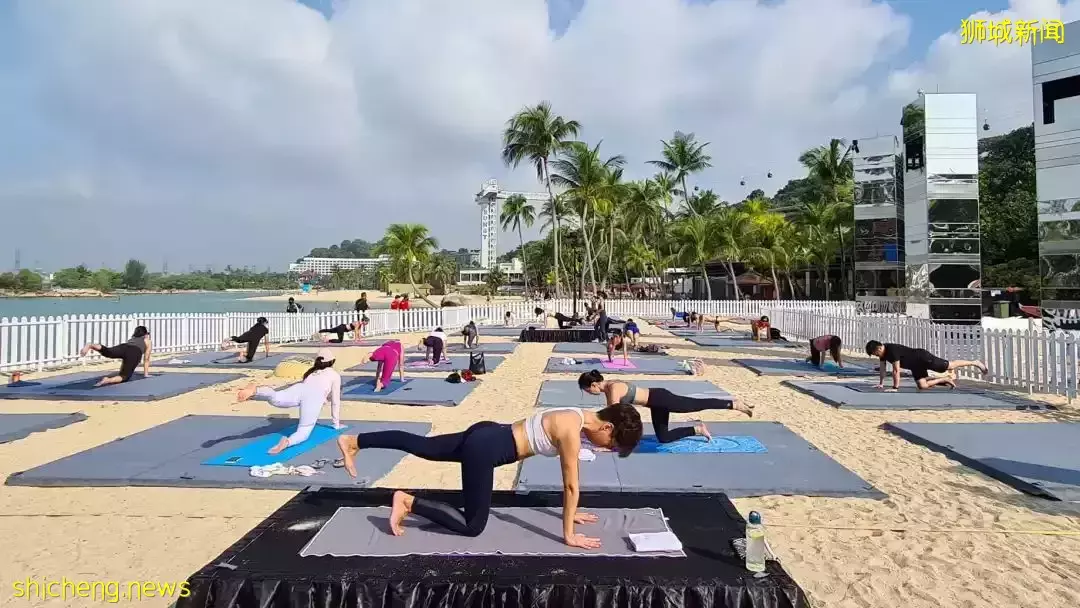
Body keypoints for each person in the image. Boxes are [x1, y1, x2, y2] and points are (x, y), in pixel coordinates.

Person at [335, 403, 644, 543]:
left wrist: (572, 513)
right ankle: (407, 502)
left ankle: (355, 441)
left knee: (423, 446)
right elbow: (571, 486)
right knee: (473, 526)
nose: (608, 449)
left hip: (489, 432)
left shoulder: (577, 413)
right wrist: (569, 534)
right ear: (607, 427)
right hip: (485, 450)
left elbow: (571, 490)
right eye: (613, 444)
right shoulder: (572, 431)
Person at [578, 370, 753, 444]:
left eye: (587, 391)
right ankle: (697, 430)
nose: (589, 394)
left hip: (661, 398)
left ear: (593, 385)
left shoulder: (613, 388)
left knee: (696, 404)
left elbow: (613, 417)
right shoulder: (609, 387)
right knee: (663, 437)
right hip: (655, 404)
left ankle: (733, 404)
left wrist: (603, 439)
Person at [236, 348, 343, 455]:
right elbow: (335, 401)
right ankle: (287, 442)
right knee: (304, 430)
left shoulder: (311, 372)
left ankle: (257, 390)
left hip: (299, 388)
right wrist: (336, 424)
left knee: (275, 398)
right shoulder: (334, 375)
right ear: (332, 361)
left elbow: (311, 387)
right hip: (314, 397)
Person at [865, 340, 988, 390]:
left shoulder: (891, 350)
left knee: (949, 365)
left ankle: (975, 362)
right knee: (922, 386)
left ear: (879, 348)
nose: (876, 356)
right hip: (915, 366)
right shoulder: (882, 355)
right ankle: (945, 379)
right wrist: (881, 383)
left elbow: (896, 371)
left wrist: (895, 388)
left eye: (875, 353)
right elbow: (882, 369)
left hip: (922, 357)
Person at [79, 326, 153, 386]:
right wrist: (146, 374)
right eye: (147, 334)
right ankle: (108, 380)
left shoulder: (132, 339)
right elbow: (146, 359)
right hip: (134, 353)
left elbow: (127, 353)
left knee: (107, 352)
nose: (148, 335)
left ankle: (91, 345)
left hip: (124, 346)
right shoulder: (147, 341)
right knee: (124, 376)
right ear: (145, 334)